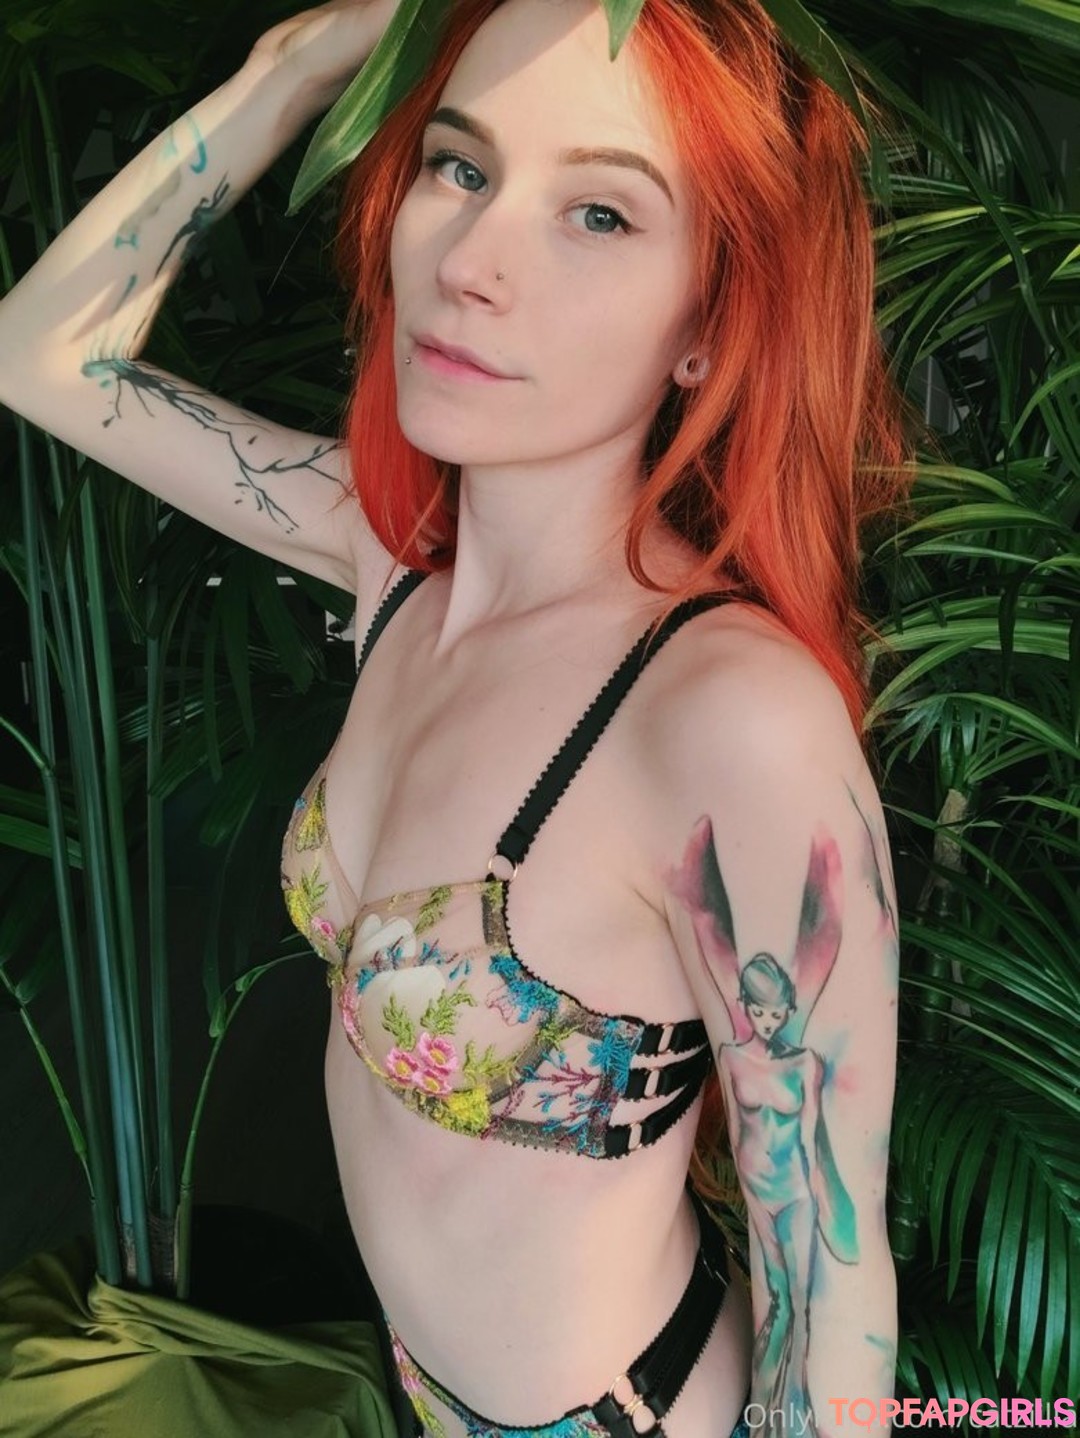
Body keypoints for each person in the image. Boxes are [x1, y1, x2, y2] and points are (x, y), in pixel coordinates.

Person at [0, 0, 906, 1434]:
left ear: (707, 324)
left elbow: (832, 1283)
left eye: (599, 213)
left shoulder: (730, 717)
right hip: (416, 1390)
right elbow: (42, 356)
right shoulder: (389, 566)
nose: (471, 261)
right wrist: (295, 68)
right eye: (459, 165)